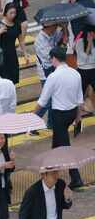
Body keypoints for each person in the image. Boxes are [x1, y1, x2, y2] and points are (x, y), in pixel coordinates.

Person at [35, 47, 85, 190]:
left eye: (51, 59)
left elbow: (43, 101)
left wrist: (32, 116)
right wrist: (78, 118)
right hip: (71, 114)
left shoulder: (53, 77)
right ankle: (51, 170)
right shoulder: (75, 73)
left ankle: (76, 178)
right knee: (58, 143)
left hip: (59, 116)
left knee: (65, 147)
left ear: (54, 59)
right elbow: (80, 99)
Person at [35, 23, 65, 129]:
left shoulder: (53, 33)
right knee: (47, 100)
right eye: (55, 25)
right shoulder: (39, 40)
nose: (56, 27)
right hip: (45, 74)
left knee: (53, 99)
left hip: (54, 71)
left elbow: (60, 37)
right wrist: (59, 51)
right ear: (48, 26)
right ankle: (33, 122)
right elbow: (49, 58)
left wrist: (64, 28)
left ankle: (51, 124)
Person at [0, 3, 30, 85]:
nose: (13, 15)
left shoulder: (17, 25)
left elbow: (21, 40)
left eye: (14, 13)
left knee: (12, 79)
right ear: (5, 13)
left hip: (12, 55)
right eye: (11, 13)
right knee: (2, 80)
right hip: (1, 56)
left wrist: (25, 54)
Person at [75, 31, 95, 111]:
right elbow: (83, 59)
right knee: (80, 96)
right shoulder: (79, 41)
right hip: (83, 71)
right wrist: (89, 43)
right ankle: (78, 120)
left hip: (93, 70)